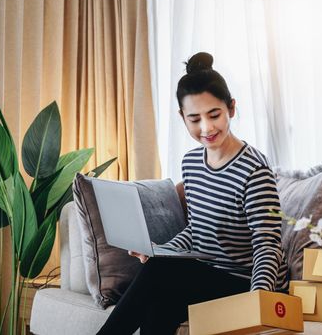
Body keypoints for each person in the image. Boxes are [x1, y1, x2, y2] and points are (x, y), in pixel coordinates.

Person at [97, 52, 288, 335]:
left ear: (231, 108)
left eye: (214, 115)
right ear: (182, 117)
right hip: (208, 278)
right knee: (158, 303)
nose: (206, 128)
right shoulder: (191, 163)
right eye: (195, 119)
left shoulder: (254, 170)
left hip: (246, 283)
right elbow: (196, 230)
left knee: (160, 275)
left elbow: (267, 246)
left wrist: (255, 303)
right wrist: (161, 251)